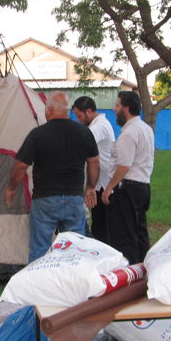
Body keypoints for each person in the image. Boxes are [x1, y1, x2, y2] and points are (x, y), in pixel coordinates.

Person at [4, 91, 100, 263]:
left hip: (45, 200)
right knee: (75, 248)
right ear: (67, 110)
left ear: (49, 109)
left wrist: (11, 188)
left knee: (40, 248)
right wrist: (91, 187)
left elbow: (21, 166)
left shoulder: (38, 134)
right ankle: (73, 278)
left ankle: (39, 278)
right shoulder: (84, 132)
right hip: (74, 199)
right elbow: (94, 161)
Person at [102, 90, 155, 264]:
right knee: (140, 231)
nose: (114, 109)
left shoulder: (129, 133)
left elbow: (124, 166)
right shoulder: (146, 129)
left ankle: (130, 268)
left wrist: (109, 188)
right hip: (143, 186)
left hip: (129, 189)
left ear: (126, 109)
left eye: (117, 105)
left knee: (126, 234)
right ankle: (143, 267)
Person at [71, 95, 115, 244]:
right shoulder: (98, 125)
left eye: (79, 116)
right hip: (100, 182)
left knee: (101, 227)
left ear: (89, 111)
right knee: (100, 224)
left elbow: (80, 146)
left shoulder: (98, 127)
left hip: (102, 184)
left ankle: (104, 253)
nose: (78, 120)